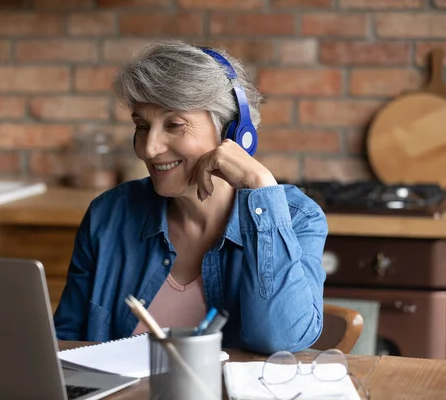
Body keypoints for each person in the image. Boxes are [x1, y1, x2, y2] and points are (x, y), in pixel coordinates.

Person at [53, 40, 327, 354]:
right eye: (142, 126)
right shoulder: (109, 214)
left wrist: (261, 185)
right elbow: (65, 344)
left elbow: (279, 340)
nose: (149, 148)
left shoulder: (296, 218)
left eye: (174, 125)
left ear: (234, 132)